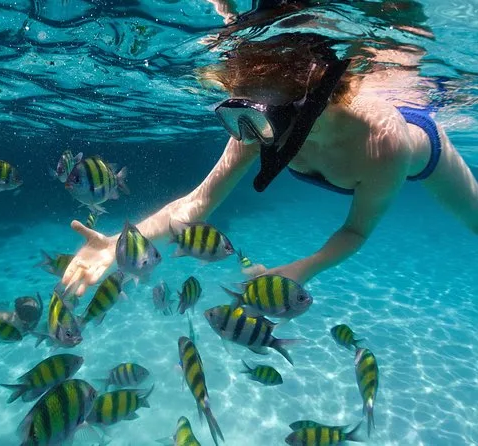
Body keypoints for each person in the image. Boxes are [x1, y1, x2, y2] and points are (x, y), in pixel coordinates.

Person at [61, 10, 477, 297]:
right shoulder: (258, 125)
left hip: (423, 149)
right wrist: (114, 245)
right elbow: (195, 204)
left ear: (308, 107)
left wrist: (302, 269)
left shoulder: (383, 145)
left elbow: (356, 231)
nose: (247, 136)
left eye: (257, 121)